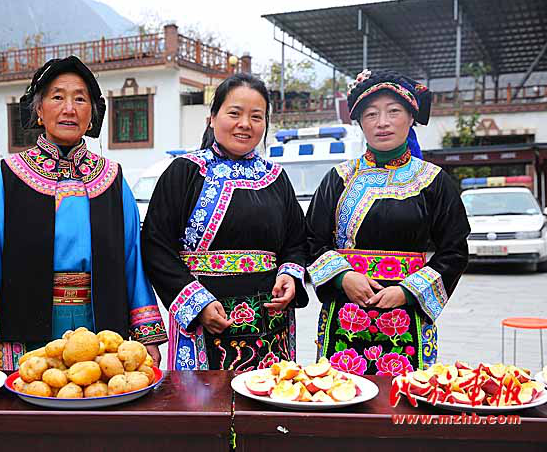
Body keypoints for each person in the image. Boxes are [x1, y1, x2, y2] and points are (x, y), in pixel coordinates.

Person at [0, 56, 166, 371]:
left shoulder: (112, 179)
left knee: (95, 394)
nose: (69, 108)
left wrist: (146, 334)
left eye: (80, 99)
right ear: (39, 110)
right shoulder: (10, 177)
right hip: (26, 327)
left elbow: (132, 260)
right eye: (57, 97)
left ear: (91, 115)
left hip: (100, 326)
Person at [306, 70, 470, 376]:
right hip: (344, 314)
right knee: (340, 391)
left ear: (410, 118)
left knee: (404, 396)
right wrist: (343, 277)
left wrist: (407, 291)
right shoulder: (338, 178)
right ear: (360, 123)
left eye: (393, 111)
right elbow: (311, 241)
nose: (382, 122)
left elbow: (454, 251)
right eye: (371, 114)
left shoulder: (433, 181)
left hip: (408, 316)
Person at [141, 73, 308, 371]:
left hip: (272, 327)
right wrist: (197, 304)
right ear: (213, 117)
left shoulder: (277, 178)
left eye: (256, 116)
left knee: (267, 395)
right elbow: (156, 246)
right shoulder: (185, 171)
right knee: (205, 399)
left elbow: (296, 241)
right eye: (234, 113)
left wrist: (290, 276)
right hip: (205, 323)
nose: (245, 124)